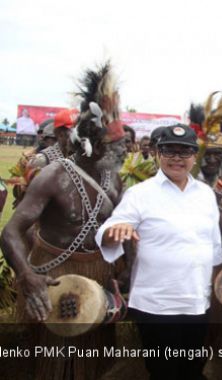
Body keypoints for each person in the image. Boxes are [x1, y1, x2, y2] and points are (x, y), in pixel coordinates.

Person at [0, 62, 127, 380]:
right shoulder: (52, 175)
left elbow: (122, 234)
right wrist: (26, 274)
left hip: (98, 275)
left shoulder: (115, 180)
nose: (112, 149)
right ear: (86, 137)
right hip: (53, 275)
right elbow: (12, 231)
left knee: (94, 361)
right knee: (54, 363)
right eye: (106, 142)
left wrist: (124, 276)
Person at [96, 124, 222, 380]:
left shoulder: (206, 194)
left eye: (184, 152)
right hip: (157, 305)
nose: (176, 158)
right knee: (163, 371)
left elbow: (214, 246)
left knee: (192, 370)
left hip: (196, 302)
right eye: (169, 151)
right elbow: (110, 230)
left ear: (194, 156)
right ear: (157, 154)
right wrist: (116, 229)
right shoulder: (140, 194)